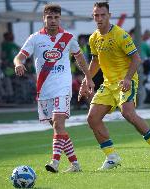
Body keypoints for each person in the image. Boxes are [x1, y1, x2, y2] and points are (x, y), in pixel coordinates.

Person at [79, 2, 150, 170]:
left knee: (127, 113)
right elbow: (95, 61)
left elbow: (136, 59)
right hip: (108, 84)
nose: (99, 18)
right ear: (93, 17)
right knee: (92, 119)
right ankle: (112, 157)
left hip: (126, 81)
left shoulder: (121, 35)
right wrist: (86, 81)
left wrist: (127, 78)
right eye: (96, 15)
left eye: (103, 15)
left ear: (109, 16)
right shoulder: (93, 38)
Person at [14, 3, 94, 173]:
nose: (53, 21)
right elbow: (19, 57)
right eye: (49, 17)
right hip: (44, 90)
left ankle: (55, 163)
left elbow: (80, 59)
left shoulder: (68, 37)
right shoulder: (35, 38)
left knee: (58, 124)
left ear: (60, 18)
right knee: (60, 130)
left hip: (63, 88)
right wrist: (19, 63)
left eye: (56, 17)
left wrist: (88, 77)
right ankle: (75, 165)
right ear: (44, 18)